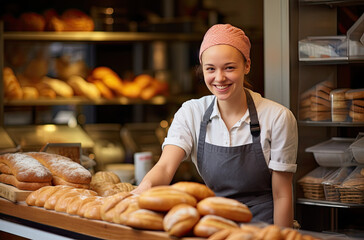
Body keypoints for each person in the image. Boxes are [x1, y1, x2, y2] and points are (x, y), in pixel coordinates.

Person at [131, 24, 298, 228]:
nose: (219, 78)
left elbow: (282, 195)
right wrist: (142, 190)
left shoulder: (277, 117)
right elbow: (165, 167)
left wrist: (280, 236)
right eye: (210, 69)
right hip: (213, 224)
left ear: (247, 66)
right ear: (202, 69)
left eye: (229, 68)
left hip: (263, 228)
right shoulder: (191, 112)